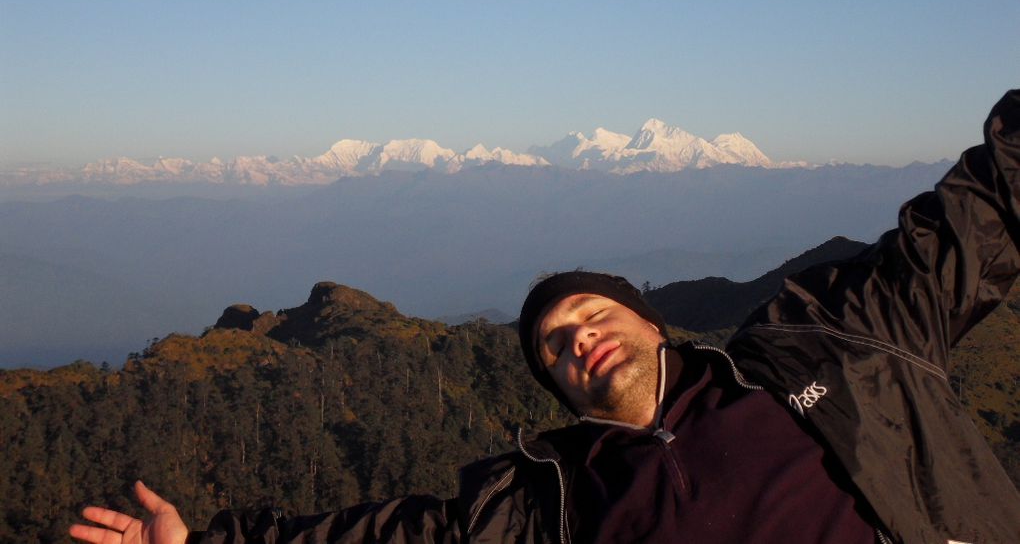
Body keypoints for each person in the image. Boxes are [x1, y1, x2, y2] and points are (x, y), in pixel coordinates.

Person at [71, 90, 1020, 544]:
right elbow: (390, 539)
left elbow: (968, 223)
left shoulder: (835, 342)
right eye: (554, 347)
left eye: (591, 312)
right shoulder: (549, 501)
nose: (576, 337)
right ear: (560, 389)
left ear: (655, 325)